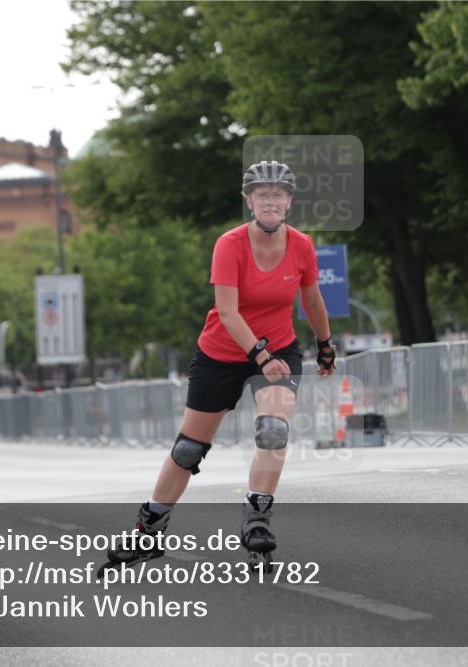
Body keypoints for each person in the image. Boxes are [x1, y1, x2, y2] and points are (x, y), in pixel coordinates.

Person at [102, 160, 336, 573]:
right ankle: (149, 529)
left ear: (289, 202)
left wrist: (324, 344)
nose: (270, 200)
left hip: (279, 350)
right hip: (222, 353)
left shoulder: (301, 244)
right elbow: (227, 312)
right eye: (261, 194)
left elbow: (312, 300)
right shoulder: (229, 244)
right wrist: (259, 357)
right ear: (249, 201)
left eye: (277, 194)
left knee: (273, 429)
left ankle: (257, 518)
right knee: (189, 449)